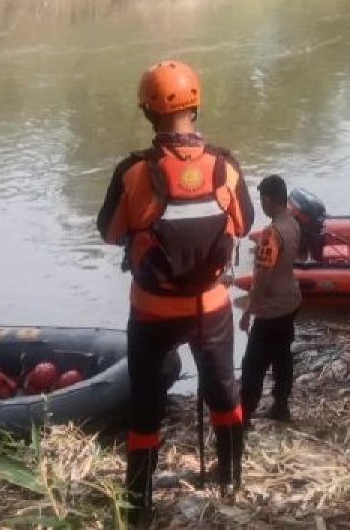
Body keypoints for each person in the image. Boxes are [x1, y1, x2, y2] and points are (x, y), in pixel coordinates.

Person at [97, 59, 254, 524]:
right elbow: (243, 225)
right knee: (223, 391)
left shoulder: (133, 171)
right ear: (197, 105)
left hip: (151, 310)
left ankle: (139, 503)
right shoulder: (225, 166)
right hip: (211, 305)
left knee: (145, 402)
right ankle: (231, 479)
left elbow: (109, 233)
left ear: (148, 111)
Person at [239, 175, 302, 425]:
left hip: (272, 308)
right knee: (282, 355)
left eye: (261, 200)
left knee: (253, 364)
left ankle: (244, 414)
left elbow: (263, 277)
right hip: (291, 301)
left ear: (267, 199)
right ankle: (281, 405)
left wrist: (248, 311)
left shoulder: (271, 234)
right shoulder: (293, 224)